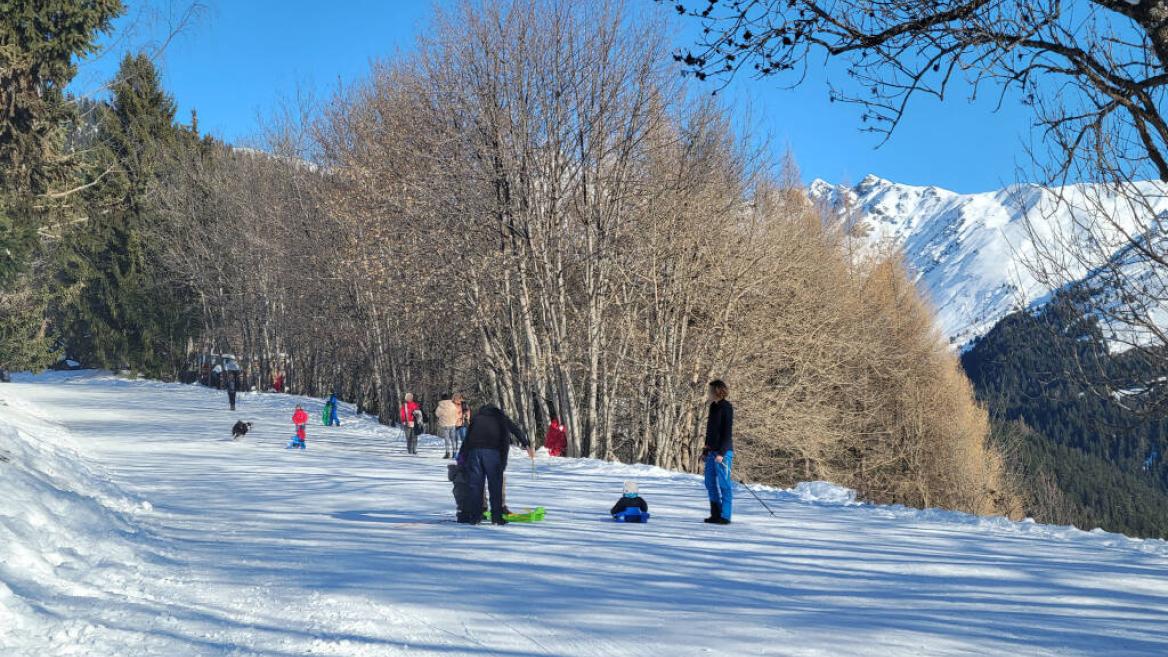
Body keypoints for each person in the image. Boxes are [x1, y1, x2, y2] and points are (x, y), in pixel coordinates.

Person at [457, 405, 534, 525]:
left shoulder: (477, 418)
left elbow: (467, 438)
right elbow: (515, 430)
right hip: (492, 452)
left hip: (474, 452)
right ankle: (496, 517)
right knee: (495, 485)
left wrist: (462, 456)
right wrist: (526, 444)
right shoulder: (500, 418)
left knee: (476, 486)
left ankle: (475, 517)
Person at [703, 379, 734, 525]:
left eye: (710, 391)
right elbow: (710, 431)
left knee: (724, 484)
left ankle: (725, 515)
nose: (708, 394)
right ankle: (715, 513)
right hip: (711, 451)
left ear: (717, 391)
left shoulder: (726, 407)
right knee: (709, 482)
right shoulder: (713, 407)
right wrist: (705, 449)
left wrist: (721, 453)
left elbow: (727, 433)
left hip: (723, 453)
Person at [436, 392, 460, 459]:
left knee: (447, 439)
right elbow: (456, 413)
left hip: (445, 424)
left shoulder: (440, 406)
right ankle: (454, 453)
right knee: (453, 439)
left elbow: (437, 414)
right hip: (452, 423)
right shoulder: (452, 405)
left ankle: (447, 453)